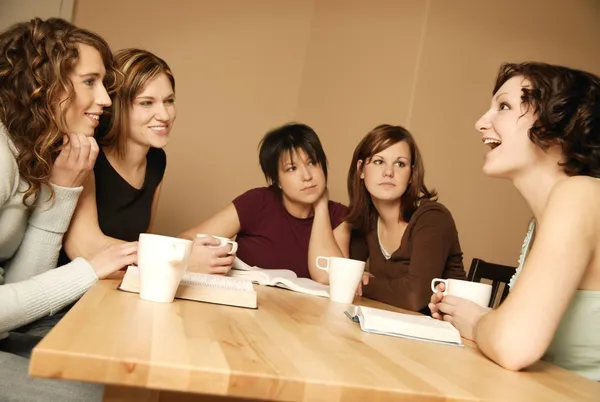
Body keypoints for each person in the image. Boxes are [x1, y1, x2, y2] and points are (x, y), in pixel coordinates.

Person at [429, 62, 600, 381]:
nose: (481, 122)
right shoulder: (538, 223)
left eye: (504, 106)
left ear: (555, 126)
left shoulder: (581, 195)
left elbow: (514, 346)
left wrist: (478, 320)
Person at [0, 18, 138, 401]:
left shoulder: (28, 149)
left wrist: (60, 191)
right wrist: (90, 269)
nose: (107, 100)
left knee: (111, 354)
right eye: (90, 81)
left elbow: (16, 290)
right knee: (88, 389)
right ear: (44, 84)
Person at [180, 123, 349, 284]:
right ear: (277, 180)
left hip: (299, 313)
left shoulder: (339, 217)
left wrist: (321, 207)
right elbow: (185, 239)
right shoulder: (257, 202)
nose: (307, 176)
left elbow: (329, 278)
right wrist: (193, 261)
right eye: (292, 168)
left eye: (312, 162)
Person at [60, 48, 175, 265]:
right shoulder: (87, 152)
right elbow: (83, 247)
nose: (165, 115)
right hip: (70, 291)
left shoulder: (157, 160)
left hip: (113, 286)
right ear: (117, 106)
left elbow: (143, 240)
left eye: (169, 100)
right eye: (146, 102)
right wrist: (177, 258)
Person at [347, 124, 465, 313]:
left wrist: (366, 285)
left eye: (400, 164)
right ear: (361, 169)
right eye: (378, 161)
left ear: (411, 174)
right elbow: (343, 274)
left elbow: (415, 297)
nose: (388, 172)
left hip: (446, 333)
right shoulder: (368, 220)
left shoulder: (432, 218)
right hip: (393, 327)